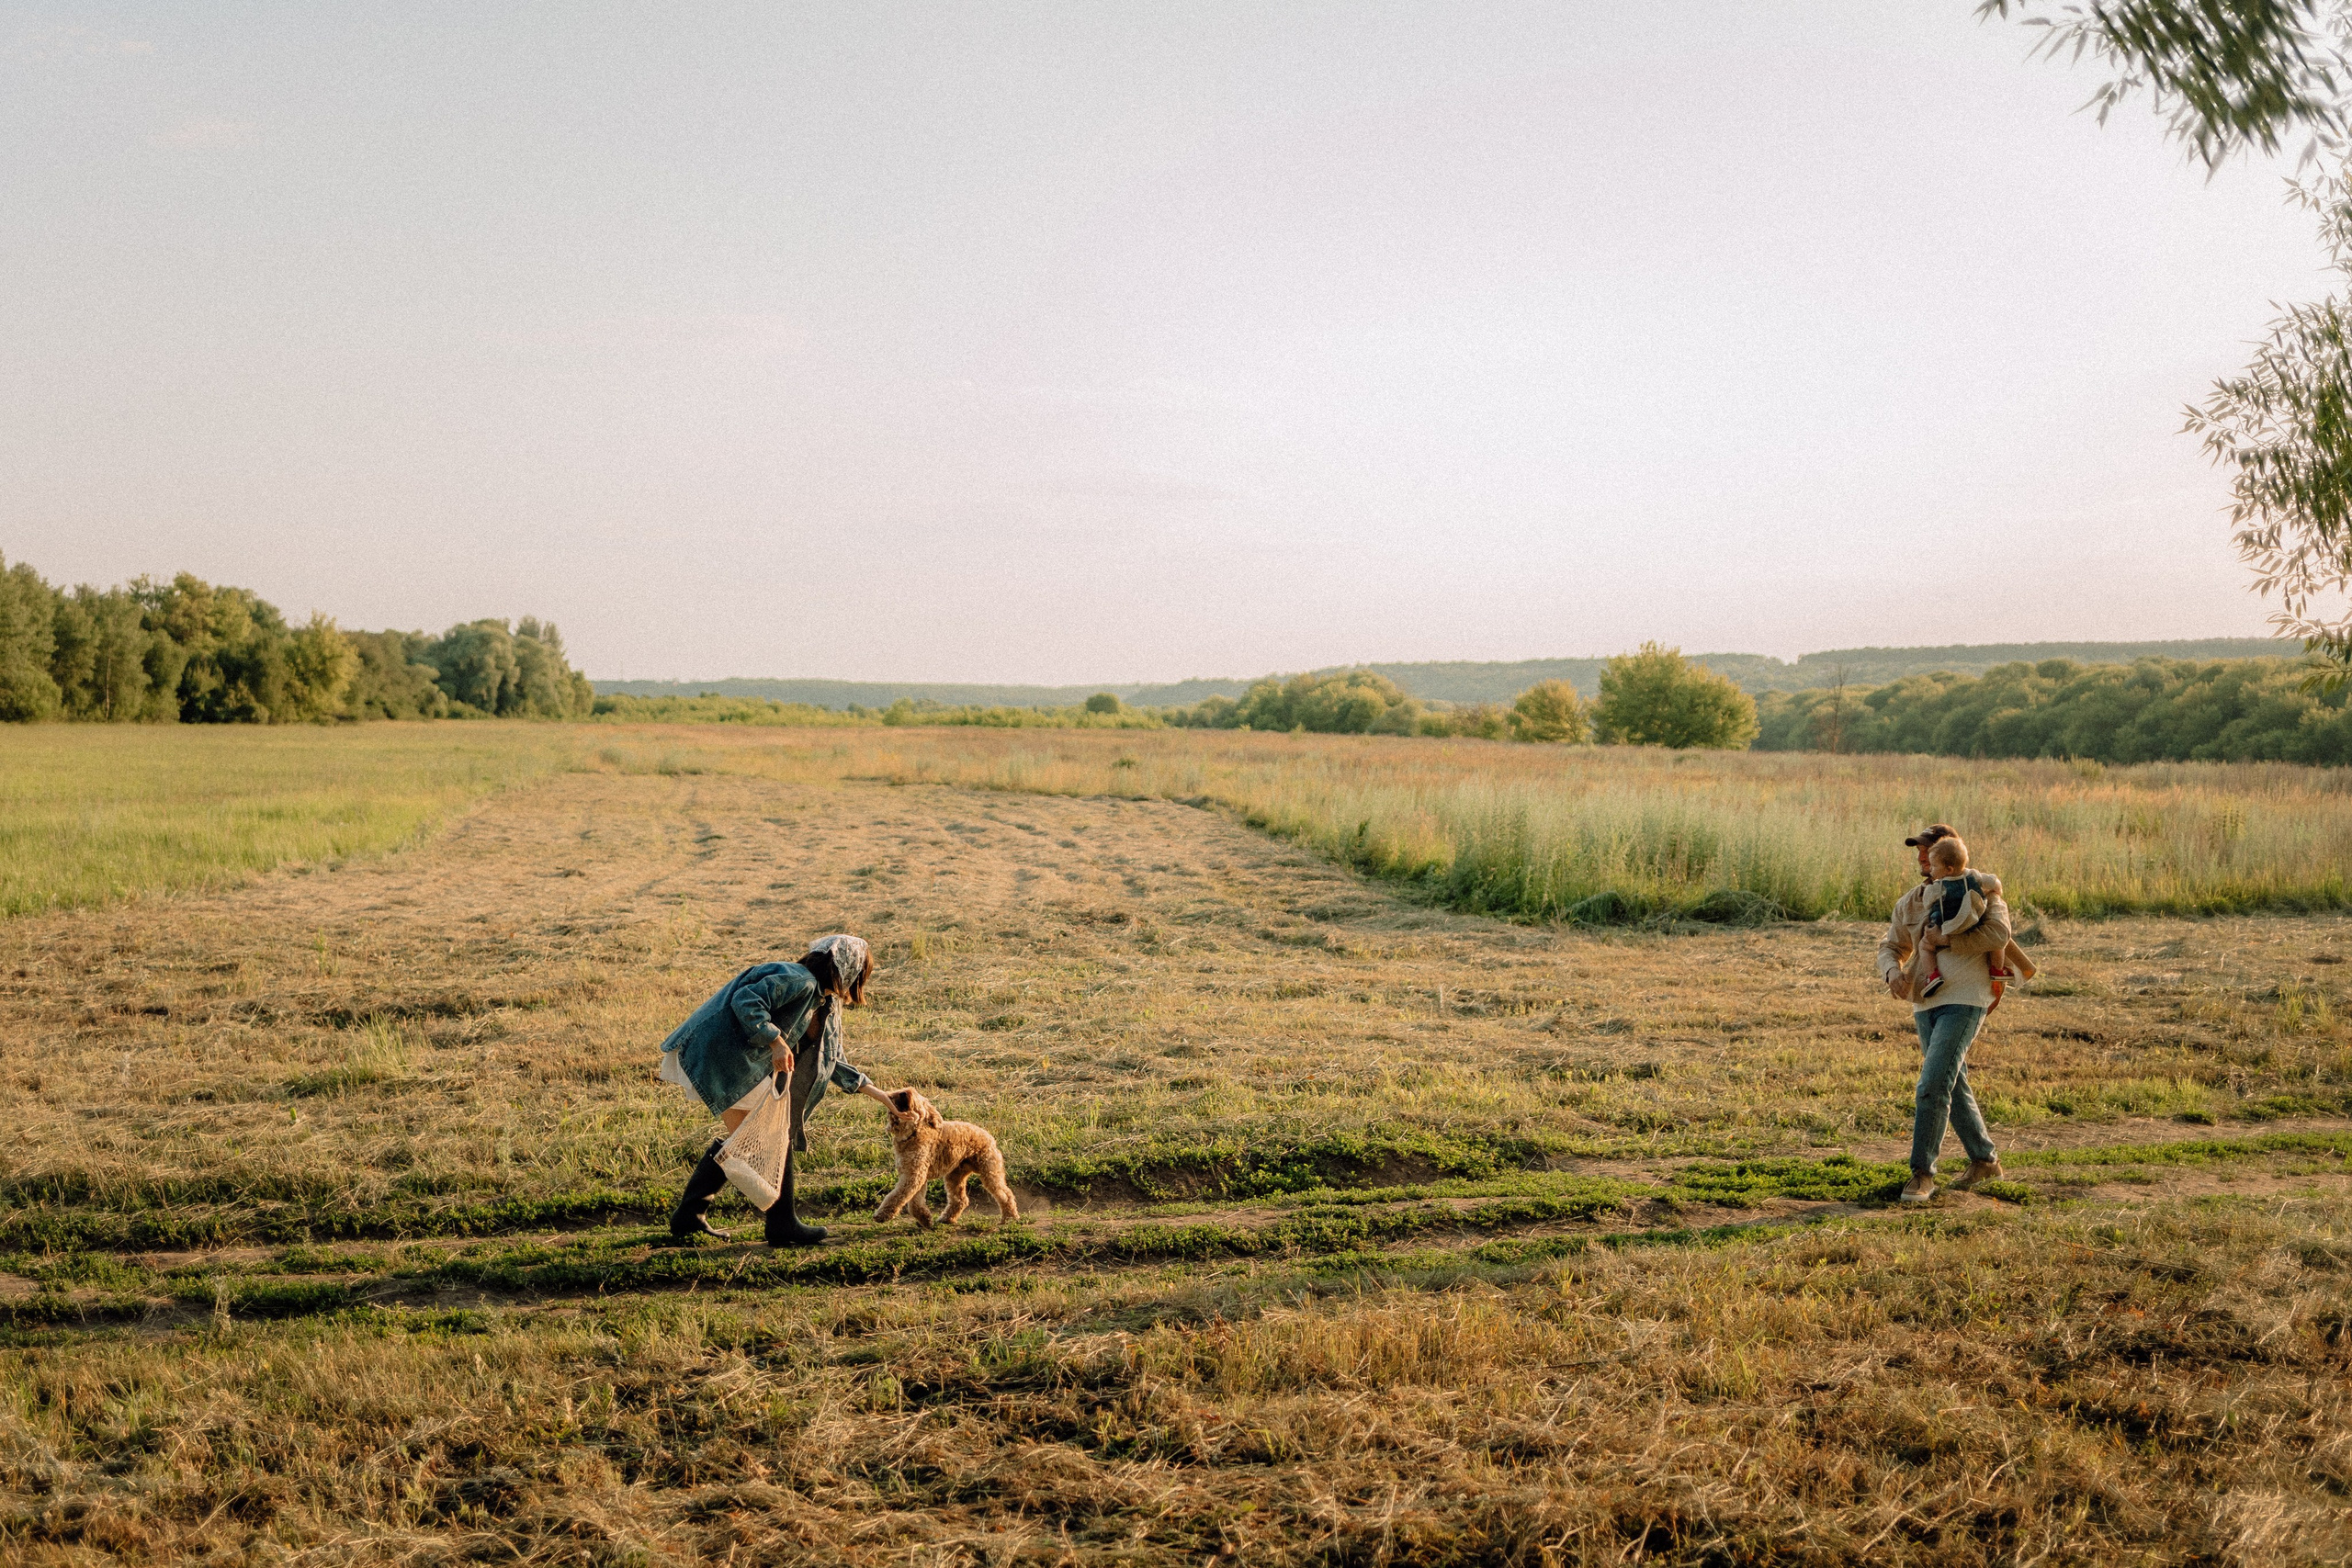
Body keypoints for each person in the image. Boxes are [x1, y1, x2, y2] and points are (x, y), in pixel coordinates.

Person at [660, 933, 892, 1246]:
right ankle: (781, 1225)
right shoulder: (798, 980)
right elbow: (746, 1000)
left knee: (756, 1139)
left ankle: (692, 1216)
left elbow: (832, 1060)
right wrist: (776, 1040)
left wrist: (883, 1097)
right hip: (722, 1055)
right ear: (848, 971)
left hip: (738, 1061)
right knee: (766, 1138)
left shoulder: (824, 1003)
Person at [1876, 827, 2011, 1203]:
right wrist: (1893, 973)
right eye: (1919, 852)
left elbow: (1999, 933)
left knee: (1932, 1084)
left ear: (1949, 857)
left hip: (1967, 999)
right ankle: (1985, 1162)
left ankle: (1922, 1175)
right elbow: (1891, 946)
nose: (1921, 858)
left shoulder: (1980, 891)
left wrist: (1945, 941)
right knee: (1951, 1082)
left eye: (1928, 851)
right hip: (1925, 1003)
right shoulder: (1912, 902)